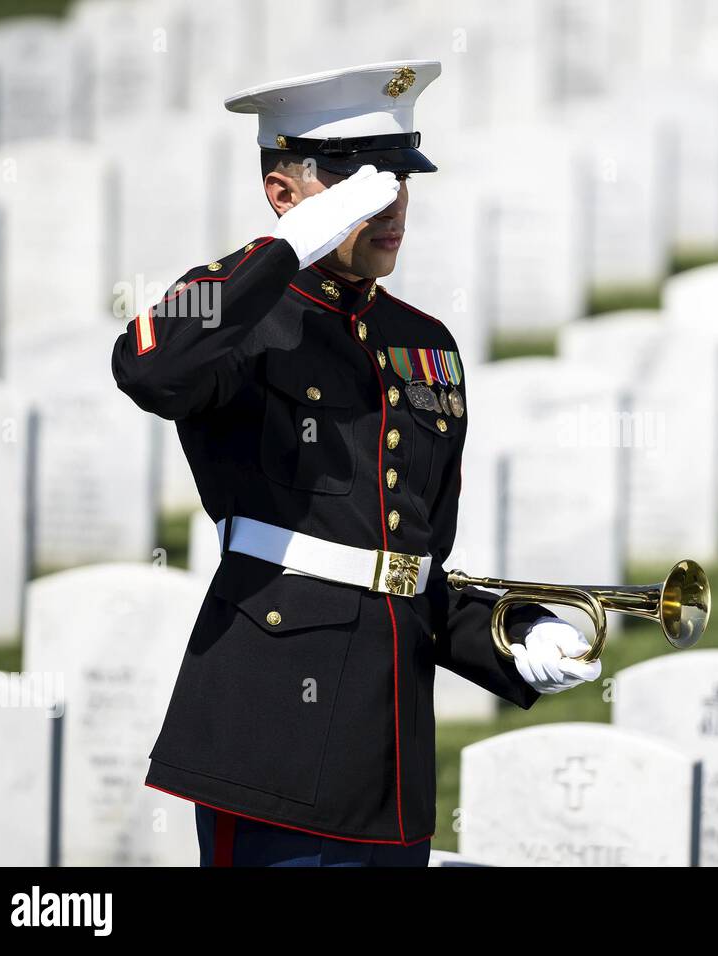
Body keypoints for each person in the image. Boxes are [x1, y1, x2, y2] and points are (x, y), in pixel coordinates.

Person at [110, 60, 599, 867]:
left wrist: (511, 641)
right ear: (284, 192)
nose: (391, 202)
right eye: (360, 183)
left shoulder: (424, 344)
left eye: (400, 176)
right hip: (270, 740)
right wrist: (286, 249)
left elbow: (407, 568)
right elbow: (148, 365)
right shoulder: (246, 323)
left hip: (389, 764)